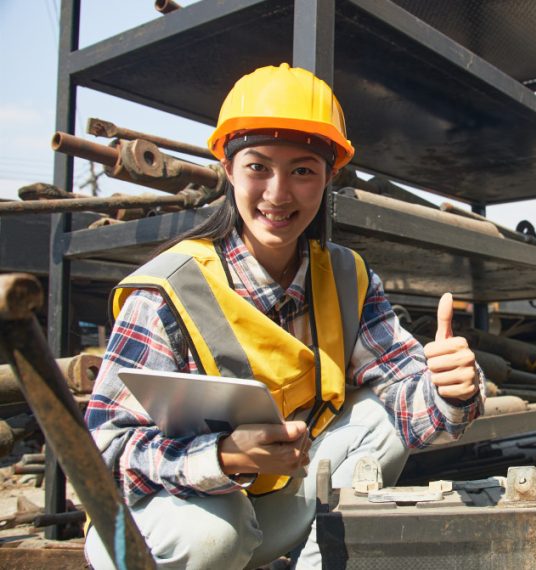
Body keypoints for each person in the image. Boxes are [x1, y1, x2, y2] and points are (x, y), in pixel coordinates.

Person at [84, 63, 485, 569]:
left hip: (271, 510)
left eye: (302, 170)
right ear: (227, 170)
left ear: (327, 177)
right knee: (213, 536)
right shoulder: (168, 292)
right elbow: (99, 458)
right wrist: (220, 457)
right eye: (257, 167)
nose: (278, 193)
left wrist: (453, 390)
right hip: (163, 525)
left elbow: (406, 395)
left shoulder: (345, 279)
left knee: (380, 419)